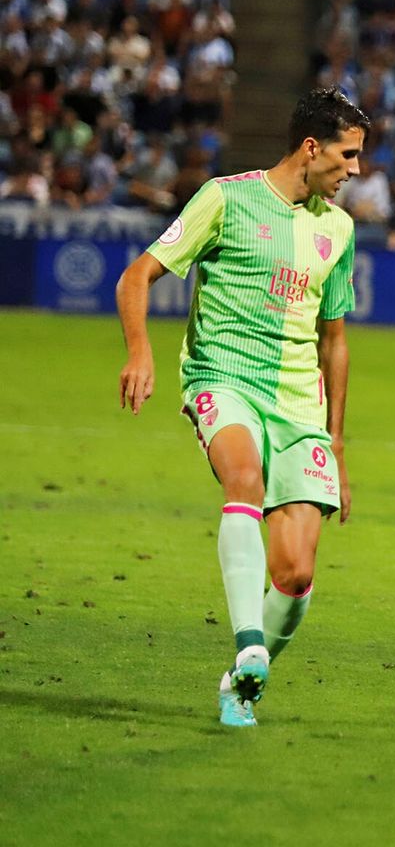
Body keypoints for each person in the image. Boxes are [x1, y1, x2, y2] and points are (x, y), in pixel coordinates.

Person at [115, 88, 367, 728]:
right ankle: (248, 643)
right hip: (221, 377)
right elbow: (137, 275)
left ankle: (240, 682)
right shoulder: (226, 198)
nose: (356, 170)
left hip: (297, 404)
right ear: (311, 149)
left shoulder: (338, 229)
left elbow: (334, 339)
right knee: (243, 479)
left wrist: (335, 438)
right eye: (349, 155)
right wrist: (139, 351)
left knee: (296, 574)